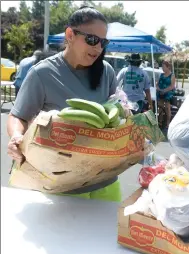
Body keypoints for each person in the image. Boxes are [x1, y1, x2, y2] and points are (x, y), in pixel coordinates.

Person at [7, 6, 122, 202]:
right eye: (92, 40)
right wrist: (17, 136)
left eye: (103, 42)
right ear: (70, 34)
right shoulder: (42, 73)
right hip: (58, 183)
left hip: (103, 179)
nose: (98, 48)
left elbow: (115, 109)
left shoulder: (107, 71)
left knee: (109, 232)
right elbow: (18, 115)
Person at [156, 60, 176, 129]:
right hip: (160, 92)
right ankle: (160, 122)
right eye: (162, 67)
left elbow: (172, 86)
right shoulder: (161, 75)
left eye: (164, 67)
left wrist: (164, 90)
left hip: (168, 93)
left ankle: (168, 123)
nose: (162, 68)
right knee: (160, 108)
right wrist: (158, 89)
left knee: (167, 108)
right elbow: (157, 84)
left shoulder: (172, 75)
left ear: (168, 67)